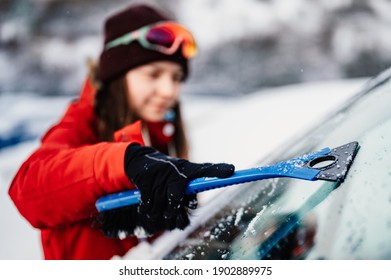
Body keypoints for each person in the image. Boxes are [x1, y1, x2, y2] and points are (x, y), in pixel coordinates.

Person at [8, 4, 235, 260]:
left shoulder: (160, 134)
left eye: (176, 77)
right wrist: (125, 161)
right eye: (154, 74)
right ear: (118, 75)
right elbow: (27, 189)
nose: (169, 90)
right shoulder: (82, 123)